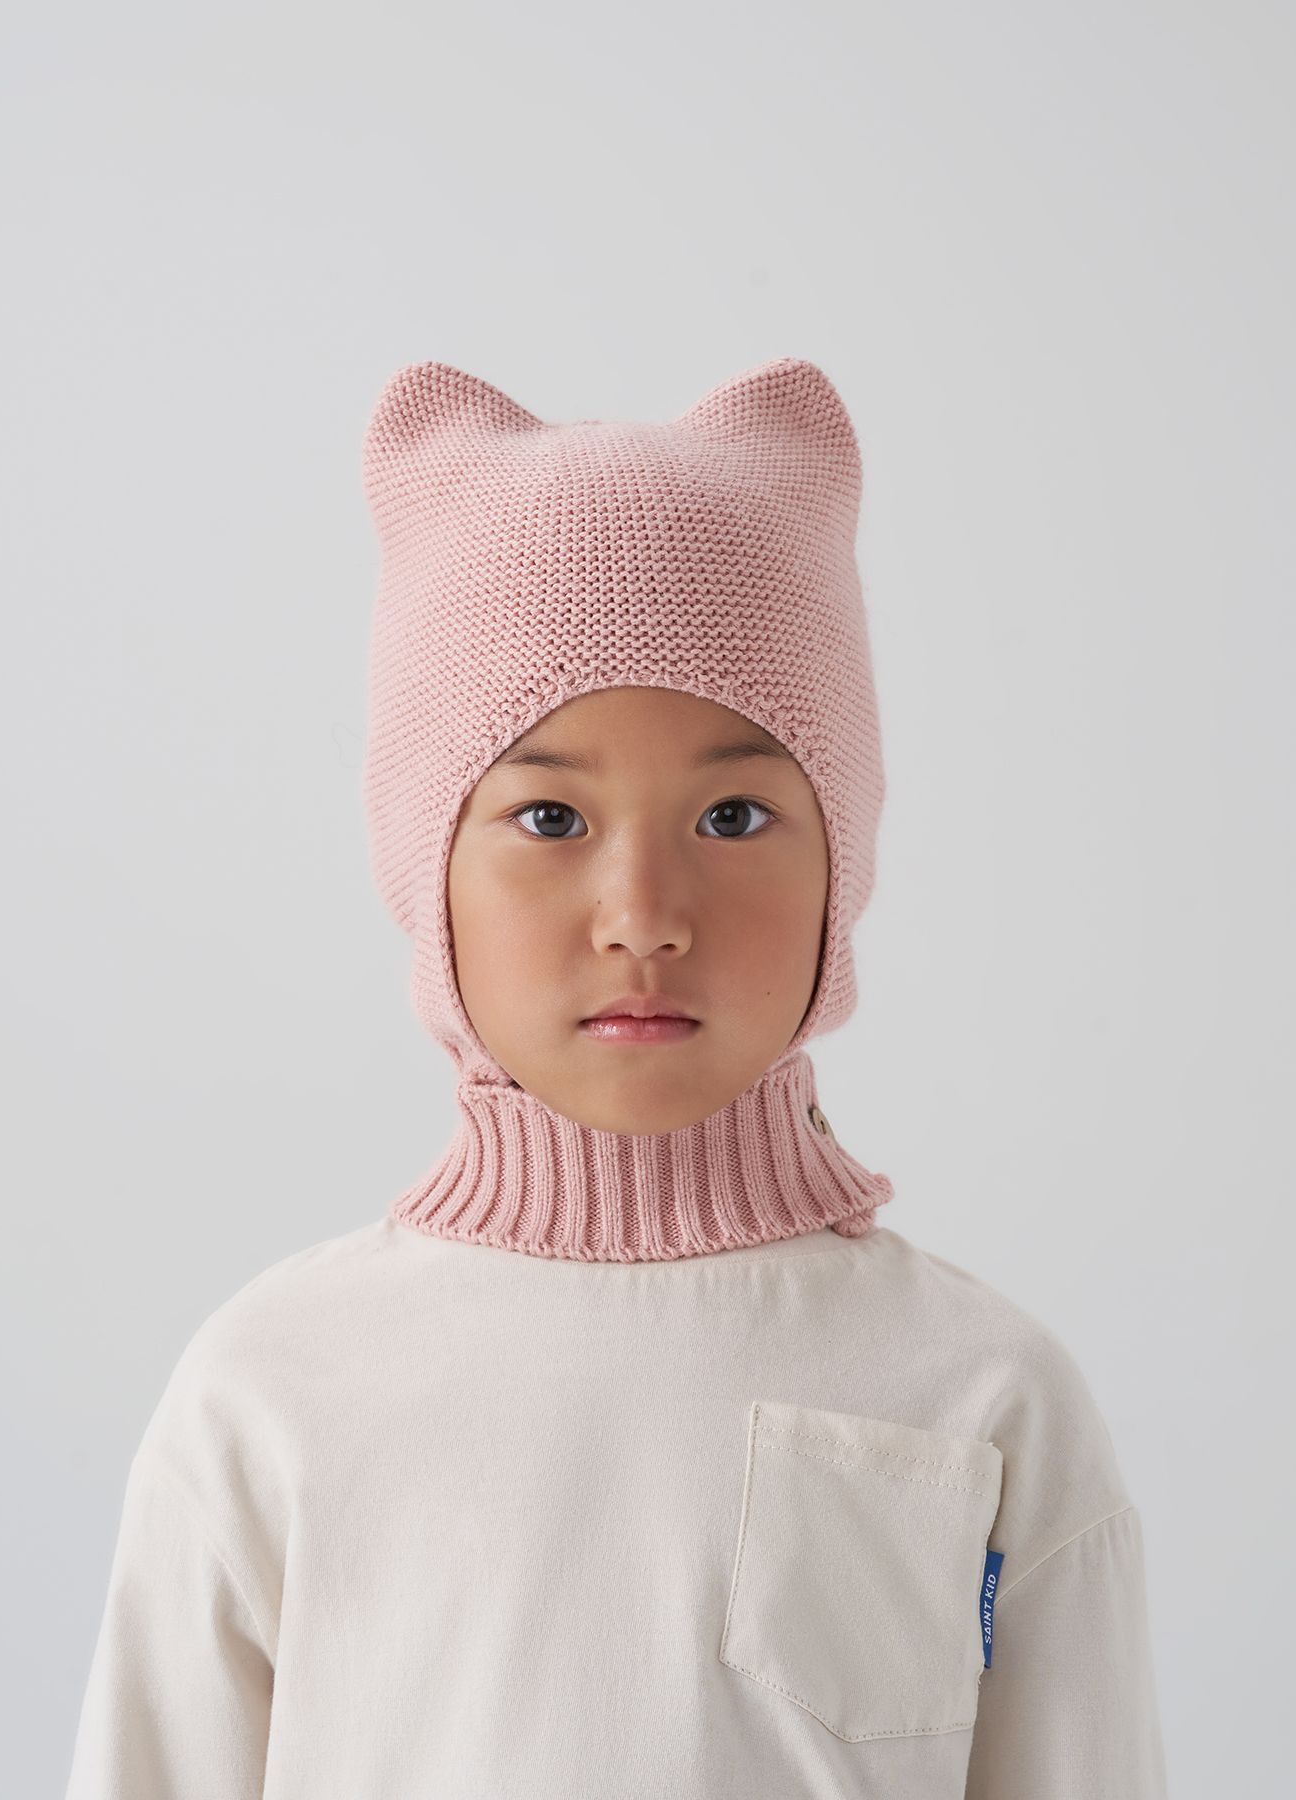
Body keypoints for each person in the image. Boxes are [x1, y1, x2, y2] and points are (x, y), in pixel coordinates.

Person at [63, 356, 1170, 1798]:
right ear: (423, 869)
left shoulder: (980, 1395)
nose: (643, 913)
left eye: (733, 814)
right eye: (547, 816)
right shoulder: (273, 1392)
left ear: (843, 857)